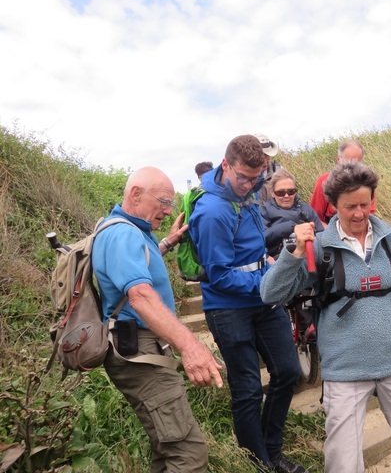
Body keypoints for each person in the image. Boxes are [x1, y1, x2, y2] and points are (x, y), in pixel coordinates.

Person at [261, 161, 391, 473]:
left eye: (365, 204)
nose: (359, 213)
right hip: (345, 372)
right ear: (334, 205)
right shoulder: (318, 247)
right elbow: (270, 293)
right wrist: (292, 253)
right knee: (343, 467)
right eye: (350, 206)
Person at [92, 166, 225, 473]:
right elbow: (140, 296)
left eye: (170, 203)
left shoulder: (124, 230)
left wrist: (166, 242)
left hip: (139, 349)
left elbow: (136, 264)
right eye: (163, 201)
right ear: (136, 194)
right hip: (139, 352)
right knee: (188, 454)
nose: (168, 210)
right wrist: (190, 346)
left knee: (165, 451)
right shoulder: (123, 234)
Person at [188, 135, 306, 473]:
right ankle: (259, 464)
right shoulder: (211, 212)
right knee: (248, 389)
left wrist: (270, 263)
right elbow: (220, 276)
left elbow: (252, 248)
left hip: (261, 298)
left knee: (287, 371)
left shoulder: (251, 191)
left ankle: (271, 451)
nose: (250, 185)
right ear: (225, 165)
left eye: (257, 178)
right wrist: (268, 282)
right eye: (243, 177)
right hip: (227, 308)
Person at [309, 139, 376, 227]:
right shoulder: (324, 181)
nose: (352, 167)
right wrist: (332, 234)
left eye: (357, 163)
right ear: (338, 160)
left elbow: (369, 217)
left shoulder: (367, 184)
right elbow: (314, 217)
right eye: (348, 162)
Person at [260, 168, 324, 258]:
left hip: (308, 257)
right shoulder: (264, 210)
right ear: (272, 193)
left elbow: (322, 237)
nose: (286, 196)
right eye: (280, 192)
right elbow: (261, 238)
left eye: (291, 191)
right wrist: (292, 227)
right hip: (278, 259)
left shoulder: (306, 209)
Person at [254, 133, 281, 204]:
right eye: (262, 155)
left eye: (268, 155)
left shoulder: (279, 172)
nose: (266, 161)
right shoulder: (244, 176)